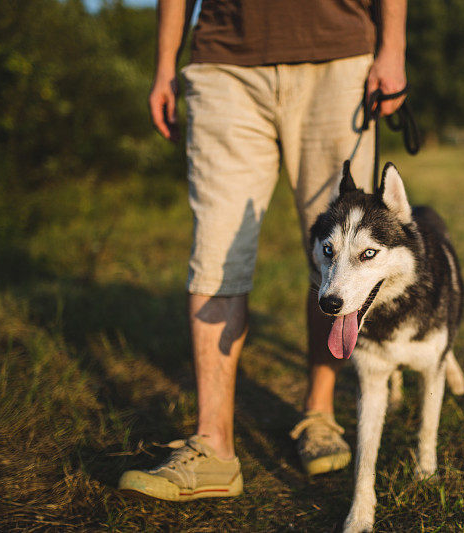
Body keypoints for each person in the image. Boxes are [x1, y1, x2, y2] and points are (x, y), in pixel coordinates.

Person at [118, 0, 408, 500]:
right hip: (224, 61)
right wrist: (165, 64)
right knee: (215, 253)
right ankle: (213, 448)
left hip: (338, 56)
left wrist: (393, 47)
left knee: (336, 257)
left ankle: (319, 412)